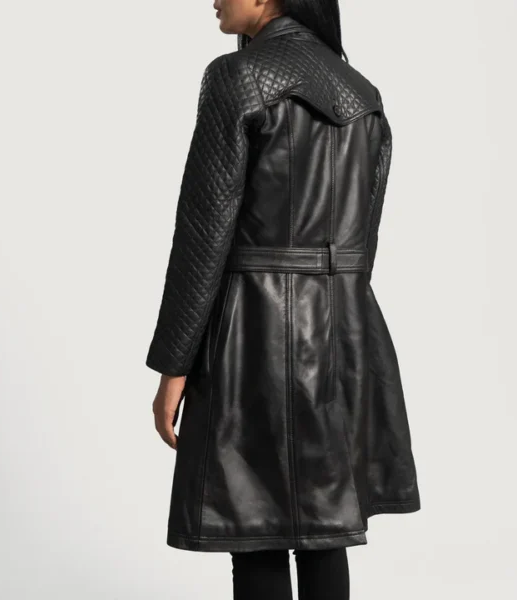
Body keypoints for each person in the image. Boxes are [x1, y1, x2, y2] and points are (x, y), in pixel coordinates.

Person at [145, 1, 421, 598]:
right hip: (345, 333)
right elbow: (364, 238)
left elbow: (203, 234)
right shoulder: (364, 93)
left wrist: (174, 364)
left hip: (253, 331)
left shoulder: (237, 76)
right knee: (326, 526)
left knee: (256, 526)